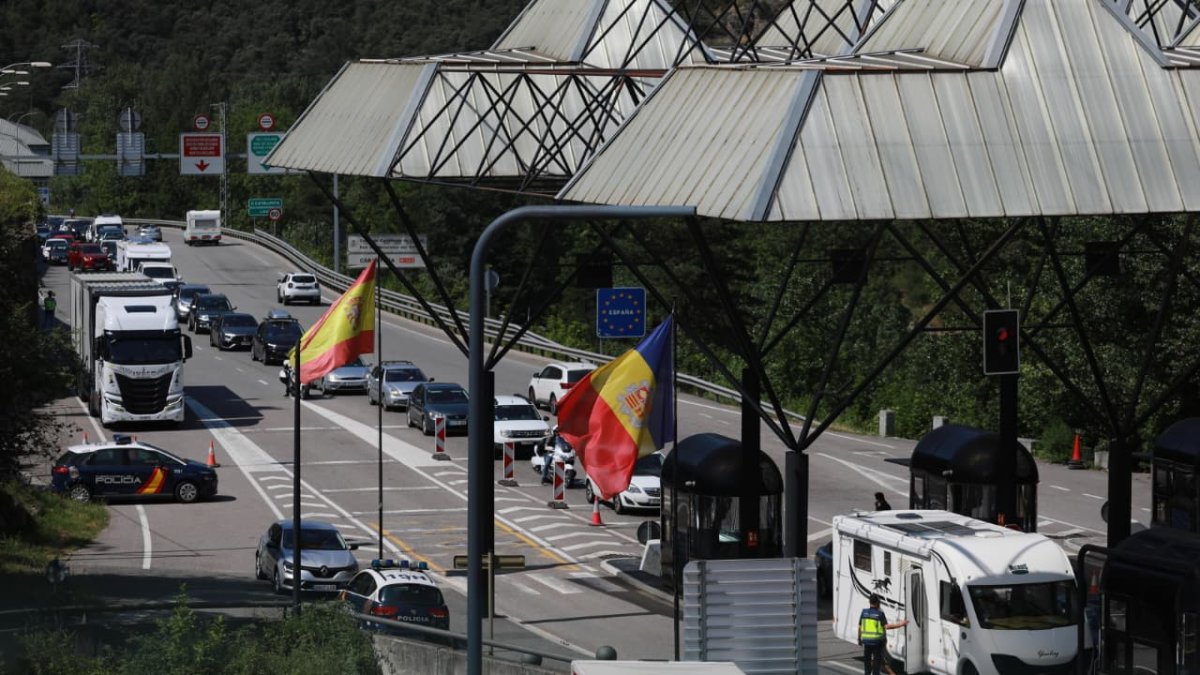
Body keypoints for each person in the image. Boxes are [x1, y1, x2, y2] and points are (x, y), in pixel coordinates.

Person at [858, 594, 908, 675]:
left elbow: (860, 626)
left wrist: (859, 639)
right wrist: (901, 624)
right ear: (878, 602)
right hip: (877, 643)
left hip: (866, 643)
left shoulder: (864, 612)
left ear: (869, 602)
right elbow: (887, 627)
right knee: (876, 666)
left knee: (867, 665)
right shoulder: (879, 614)